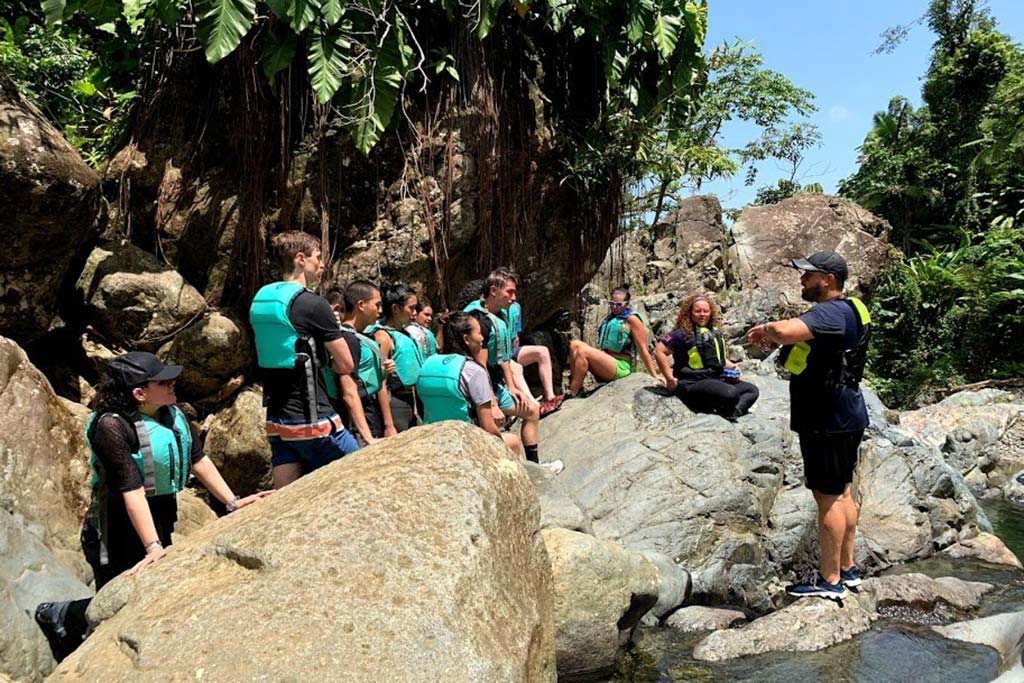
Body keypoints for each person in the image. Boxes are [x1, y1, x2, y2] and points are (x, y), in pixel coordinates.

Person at [35, 352, 269, 659]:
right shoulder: (111, 427)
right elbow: (131, 490)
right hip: (113, 530)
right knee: (114, 606)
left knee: (147, 597)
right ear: (139, 393)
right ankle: (61, 616)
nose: (174, 384)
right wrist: (153, 547)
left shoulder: (173, 414)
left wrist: (233, 502)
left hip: (158, 519)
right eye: (164, 381)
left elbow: (198, 460)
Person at [746, 251, 871, 601]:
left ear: (827, 280)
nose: (802, 281)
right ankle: (848, 570)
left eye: (807, 275)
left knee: (827, 498)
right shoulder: (854, 308)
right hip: (847, 411)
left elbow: (786, 332)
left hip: (827, 417)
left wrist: (767, 329)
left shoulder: (830, 312)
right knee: (843, 491)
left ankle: (829, 580)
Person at [249, 231, 359, 489]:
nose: (322, 265)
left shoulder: (261, 299)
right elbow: (345, 365)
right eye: (317, 258)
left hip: (277, 424)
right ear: (301, 259)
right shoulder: (312, 304)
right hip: (315, 424)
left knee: (285, 501)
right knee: (363, 477)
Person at [464, 269, 563, 474]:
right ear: (494, 290)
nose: (514, 297)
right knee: (502, 433)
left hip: (495, 382)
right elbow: (479, 367)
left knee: (532, 409)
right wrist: (491, 403)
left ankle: (535, 467)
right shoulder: (478, 320)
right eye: (509, 292)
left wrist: (511, 386)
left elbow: (504, 358)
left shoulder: (499, 316)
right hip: (478, 388)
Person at [416, 312, 522, 455]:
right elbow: (488, 427)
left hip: (435, 438)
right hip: (465, 442)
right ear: (466, 338)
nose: (482, 338)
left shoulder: (428, 364)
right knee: (513, 442)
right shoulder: (473, 371)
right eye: (479, 333)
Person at [655, 294, 759, 419]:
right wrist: (670, 379)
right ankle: (720, 409)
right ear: (690, 313)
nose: (702, 314)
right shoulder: (681, 334)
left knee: (751, 390)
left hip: (715, 379)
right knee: (731, 393)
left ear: (711, 313)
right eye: (698, 311)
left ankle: (732, 412)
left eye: (705, 311)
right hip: (692, 382)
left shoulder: (713, 332)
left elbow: (718, 359)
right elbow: (659, 351)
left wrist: (734, 367)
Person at [567, 286, 660, 395]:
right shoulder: (611, 318)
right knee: (574, 344)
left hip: (622, 367)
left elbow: (643, 350)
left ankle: (573, 393)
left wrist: (654, 375)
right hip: (607, 362)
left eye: (619, 304)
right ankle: (577, 386)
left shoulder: (632, 320)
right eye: (612, 303)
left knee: (583, 352)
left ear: (627, 304)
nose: (614, 307)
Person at [337, 281, 398, 444]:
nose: (380, 311)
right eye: (377, 305)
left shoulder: (355, 336)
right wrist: (367, 437)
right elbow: (349, 391)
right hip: (359, 420)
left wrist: (382, 372)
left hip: (368, 412)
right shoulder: (348, 339)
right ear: (361, 305)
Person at [367, 282, 426, 432]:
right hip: (396, 404)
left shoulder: (404, 333)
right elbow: (381, 381)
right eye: (411, 308)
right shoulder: (383, 337)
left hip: (411, 400)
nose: (414, 313)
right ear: (395, 309)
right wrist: (388, 425)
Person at [505, 298, 565, 417]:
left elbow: (516, 335)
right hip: (502, 355)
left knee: (542, 351)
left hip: (511, 350)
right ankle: (535, 405)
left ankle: (550, 397)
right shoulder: (497, 311)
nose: (513, 297)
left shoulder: (516, 307)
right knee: (516, 368)